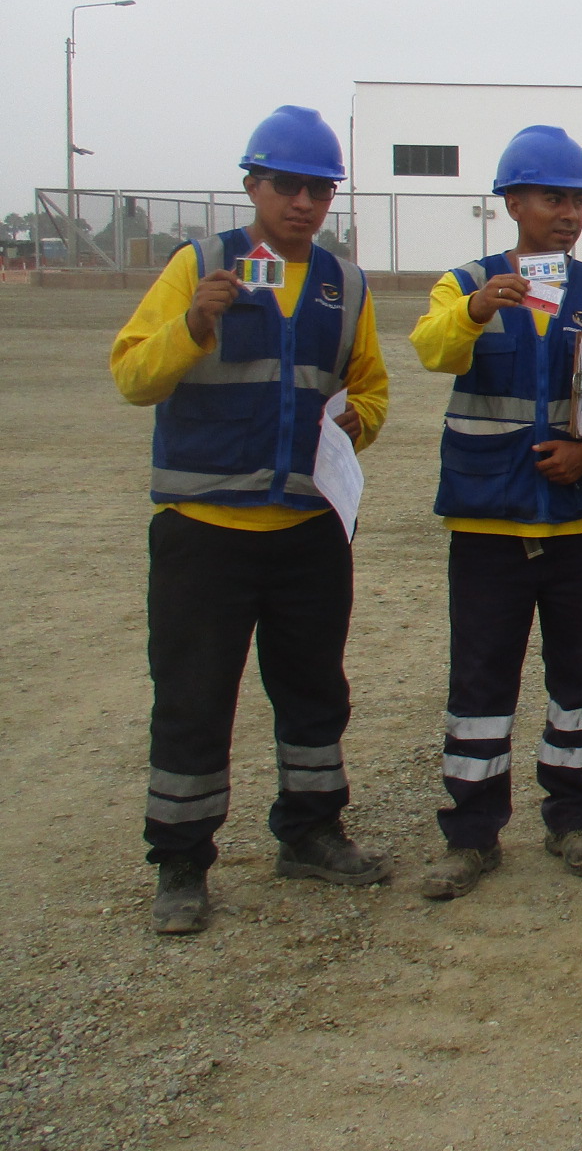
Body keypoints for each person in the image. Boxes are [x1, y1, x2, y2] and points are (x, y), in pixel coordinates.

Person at [110, 106, 392, 935]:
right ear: (252, 186)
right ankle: (182, 862)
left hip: (307, 532)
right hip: (205, 530)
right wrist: (193, 324)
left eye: (319, 188)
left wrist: (357, 423)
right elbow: (133, 376)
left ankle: (310, 832)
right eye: (287, 186)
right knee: (194, 697)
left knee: (313, 692)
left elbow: (371, 390)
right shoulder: (202, 265)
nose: (304, 202)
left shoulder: (346, 285)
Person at [408, 125, 582, 899]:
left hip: (578, 525)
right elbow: (432, 351)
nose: (568, 213)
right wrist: (476, 309)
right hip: (488, 526)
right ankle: (472, 834)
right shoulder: (464, 282)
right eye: (552, 198)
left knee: (577, 678)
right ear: (512, 203)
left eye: (577, 199)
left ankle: (571, 816)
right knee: (479, 683)